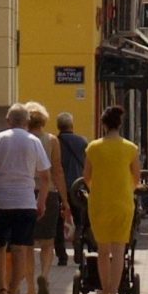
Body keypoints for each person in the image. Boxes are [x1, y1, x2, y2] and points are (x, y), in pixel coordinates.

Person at [0, 102, 51, 294]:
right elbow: (45, 177)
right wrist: (41, 201)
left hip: (1, 201)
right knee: (20, 248)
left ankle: (1, 289)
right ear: (27, 122)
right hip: (25, 202)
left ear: (8, 120)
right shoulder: (33, 142)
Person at [83, 104, 140, 294]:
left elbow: (86, 177)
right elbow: (136, 177)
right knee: (119, 251)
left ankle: (104, 291)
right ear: (120, 124)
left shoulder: (93, 147)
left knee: (103, 250)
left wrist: (98, 188)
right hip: (123, 202)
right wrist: (126, 189)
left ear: (104, 125)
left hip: (99, 202)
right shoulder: (130, 148)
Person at [23, 101, 65, 294]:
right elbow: (57, 170)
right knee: (48, 242)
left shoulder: (23, 140)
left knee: (27, 243)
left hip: (26, 192)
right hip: (49, 193)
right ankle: (44, 276)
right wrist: (65, 200)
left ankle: (30, 290)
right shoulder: (51, 140)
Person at [56, 111, 90, 263]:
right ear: (71, 125)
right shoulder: (82, 142)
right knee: (80, 220)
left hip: (59, 187)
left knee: (58, 222)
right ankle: (78, 249)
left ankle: (62, 255)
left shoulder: (55, 142)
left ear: (58, 126)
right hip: (78, 187)